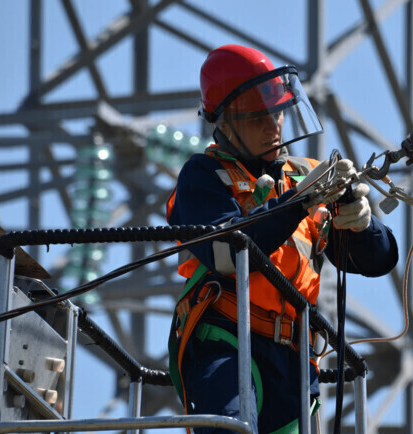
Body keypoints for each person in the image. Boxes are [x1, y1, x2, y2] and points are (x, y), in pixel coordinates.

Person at [166, 44, 398, 433]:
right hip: (228, 337)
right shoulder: (204, 175)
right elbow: (225, 255)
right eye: (258, 118)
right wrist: (297, 203)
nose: (272, 126)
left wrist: (362, 223)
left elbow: (376, 261)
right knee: (230, 427)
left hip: (293, 358)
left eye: (276, 114)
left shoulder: (302, 176)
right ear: (224, 123)